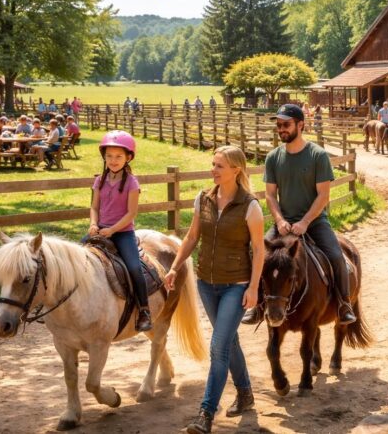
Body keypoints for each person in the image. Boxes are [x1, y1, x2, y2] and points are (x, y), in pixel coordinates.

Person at [164, 146, 263, 434]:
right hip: (206, 283)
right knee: (228, 341)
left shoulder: (250, 206)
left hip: (237, 285)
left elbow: (259, 250)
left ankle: (206, 414)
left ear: (237, 170)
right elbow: (192, 236)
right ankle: (245, 393)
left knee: (218, 347)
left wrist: (254, 288)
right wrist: (174, 267)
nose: (214, 170)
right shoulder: (203, 199)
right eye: (213, 164)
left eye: (220, 165)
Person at [241, 104, 356, 326]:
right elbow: (270, 195)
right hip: (283, 222)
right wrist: (280, 220)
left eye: (286, 124)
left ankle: (344, 304)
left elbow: (323, 195)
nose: (281, 129)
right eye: (278, 125)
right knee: (255, 253)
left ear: (300, 125)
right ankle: (256, 306)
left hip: (314, 222)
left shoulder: (317, 155)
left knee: (335, 256)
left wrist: (305, 222)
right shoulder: (273, 157)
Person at [88, 131, 151, 331]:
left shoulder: (132, 182)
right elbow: (94, 207)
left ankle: (144, 310)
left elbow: (132, 213)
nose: (113, 161)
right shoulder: (99, 180)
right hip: (100, 230)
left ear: (128, 157)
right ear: (104, 157)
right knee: (75, 258)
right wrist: (93, 224)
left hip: (122, 232)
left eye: (118, 157)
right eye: (109, 156)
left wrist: (113, 230)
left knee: (134, 267)